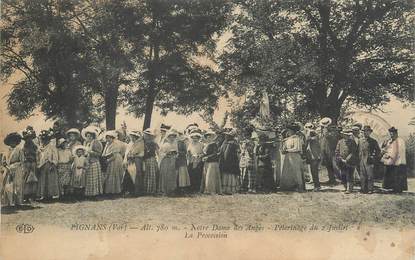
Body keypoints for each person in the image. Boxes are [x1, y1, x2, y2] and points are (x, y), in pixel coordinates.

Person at [2, 132, 26, 206]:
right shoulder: (6, 151)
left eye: (14, 141)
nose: (12, 143)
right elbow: (3, 161)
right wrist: (6, 166)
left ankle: (18, 202)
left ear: (16, 142)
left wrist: (17, 166)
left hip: (17, 168)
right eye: (11, 141)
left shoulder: (19, 150)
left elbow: (22, 160)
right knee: (8, 185)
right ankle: (9, 202)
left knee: (17, 185)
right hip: (8, 169)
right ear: (9, 142)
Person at [381, 127, 408, 193]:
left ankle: (398, 189)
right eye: (390, 133)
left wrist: (389, 155)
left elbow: (399, 151)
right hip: (392, 160)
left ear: (396, 133)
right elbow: (387, 149)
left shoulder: (400, 141)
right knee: (392, 174)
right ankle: (392, 187)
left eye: (393, 133)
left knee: (398, 175)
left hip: (399, 161)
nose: (391, 135)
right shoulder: (390, 141)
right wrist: (385, 153)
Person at [280, 124, 306, 192]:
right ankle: (289, 186)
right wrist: (283, 147)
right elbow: (283, 149)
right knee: (289, 171)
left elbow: (297, 148)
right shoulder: (287, 139)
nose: (288, 132)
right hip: (288, 157)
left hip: (295, 156)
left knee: (296, 171)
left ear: (292, 131)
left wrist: (287, 150)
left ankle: (299, 186)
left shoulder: (297, 138)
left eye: (289, 130)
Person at [37, 129, 60, 200]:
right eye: (42, 139)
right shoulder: (40, 148)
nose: (44, 141)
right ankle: (43, 195)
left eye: (45, 139)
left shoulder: (52, 147)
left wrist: (53, 164)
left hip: (50, 164)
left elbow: (55, 156)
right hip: (42, 165)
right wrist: (39, 165)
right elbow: (38, 157)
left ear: (48, 139)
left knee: (51, 180)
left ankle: (52, 194)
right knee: (43, 180)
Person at [82, 126, 104, 198]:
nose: (89, 137)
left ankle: (95, 194)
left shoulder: (96, 142)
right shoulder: (86, 143)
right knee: (89, 178)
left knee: (94, 178)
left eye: (90, 136)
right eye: (87, 136)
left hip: (94, 162)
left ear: (93, 136)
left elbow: (99, 154)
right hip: (88, 162)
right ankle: (89, 193)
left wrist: (90, 152)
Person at [335, 129, 359, 194]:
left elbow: (353, 152)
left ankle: (350, 188)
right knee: (343, 175)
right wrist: (341, 158)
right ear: (343, 135)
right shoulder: (340, 142)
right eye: (345, 135)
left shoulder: (352, 142)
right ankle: (345, 187)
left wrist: (347, 159)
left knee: (350, 175)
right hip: (342, 161)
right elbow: (337, 151)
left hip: (350, 161)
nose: (346, 136)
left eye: (348, 135)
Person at [358, 125, 381, 194]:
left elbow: (378, 151)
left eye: (367, 131)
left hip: (369, 160)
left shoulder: (373, 141)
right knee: (362, 175)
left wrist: (373, 157)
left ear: (370, 132)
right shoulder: (360, 140)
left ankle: (370, 189)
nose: (366, 133)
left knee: (370, 175)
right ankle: (363, 189)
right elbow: (357, 150)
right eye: (364, 131)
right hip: (361, 159)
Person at [123, 130, 145, 196]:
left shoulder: (140, 143)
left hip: (137, 160)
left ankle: (137, 191)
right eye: (131, 136)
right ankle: (129, 190)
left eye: (133, 136)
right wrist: (127, 158)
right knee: (128, 174)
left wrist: (132, 155)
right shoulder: (130, 143)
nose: (132, 138)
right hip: (130, 160)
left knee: (137, 175)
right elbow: (127, 152)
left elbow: (137, 152)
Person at [102, 131, 124, 196]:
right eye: (107, 138)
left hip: (115, 160)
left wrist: (108, 160)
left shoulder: (115, 144)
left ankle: (117, 190)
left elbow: (114, 155)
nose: (108, 139)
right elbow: (104, 153)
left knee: (115, 174)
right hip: (110, 159)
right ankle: (110, 190)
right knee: (110, 175)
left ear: (112, 138)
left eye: (109, 138)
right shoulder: (107, 144)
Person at [219, 129, 240, 194]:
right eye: (226, 135)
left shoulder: (234, 143)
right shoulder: (224, 143)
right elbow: (221, 152)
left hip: (232, 162)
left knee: (231, 174)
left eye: (228, 135)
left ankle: (230, 189)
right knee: (225, 173)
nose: (226, 136)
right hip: (224, 161)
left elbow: (237, 152)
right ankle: (225, 189)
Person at [319, 118, 339, 185]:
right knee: (328, 165)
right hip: (325, 150)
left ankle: (336, 179)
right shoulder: (324, 132)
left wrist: (325, 129)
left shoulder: (333, 131)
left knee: (333, 165)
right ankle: (331, 179)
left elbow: (328, 136)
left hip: (331, 150)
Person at [158, 131, 179, 195]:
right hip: (166, 161)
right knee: (165, 174)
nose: (172, 138)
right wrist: (167, 154)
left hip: (172, 160)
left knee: (172, 174)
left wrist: (175, 154)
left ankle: (171, 189)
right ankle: (164, 190)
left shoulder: (175, 144)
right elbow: (160, 153)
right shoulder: (165, 144)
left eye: (173, 137)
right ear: (168, 138)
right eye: (170, 137)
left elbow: (177, 153)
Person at [22, 128, 38, 201]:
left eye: (30, 137)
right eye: (27, 138)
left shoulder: (34, 146)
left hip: (33, 162)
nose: (29, 139)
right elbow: (23, 155)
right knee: (26, 178)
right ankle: (26, 194)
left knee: (33, 178)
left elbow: (37, 154)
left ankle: (33, 194)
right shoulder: (24, 147)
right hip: (27, 163)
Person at [143, 128, 159, 195]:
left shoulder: (153, 143)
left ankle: (152, 189)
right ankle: (148, 189)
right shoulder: (144, 143)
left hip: (151, 159)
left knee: (151, 174)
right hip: (147, 159)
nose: (146, 136)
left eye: (148, 135)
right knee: (148, 174)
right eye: (146, 135)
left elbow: (157, 151)